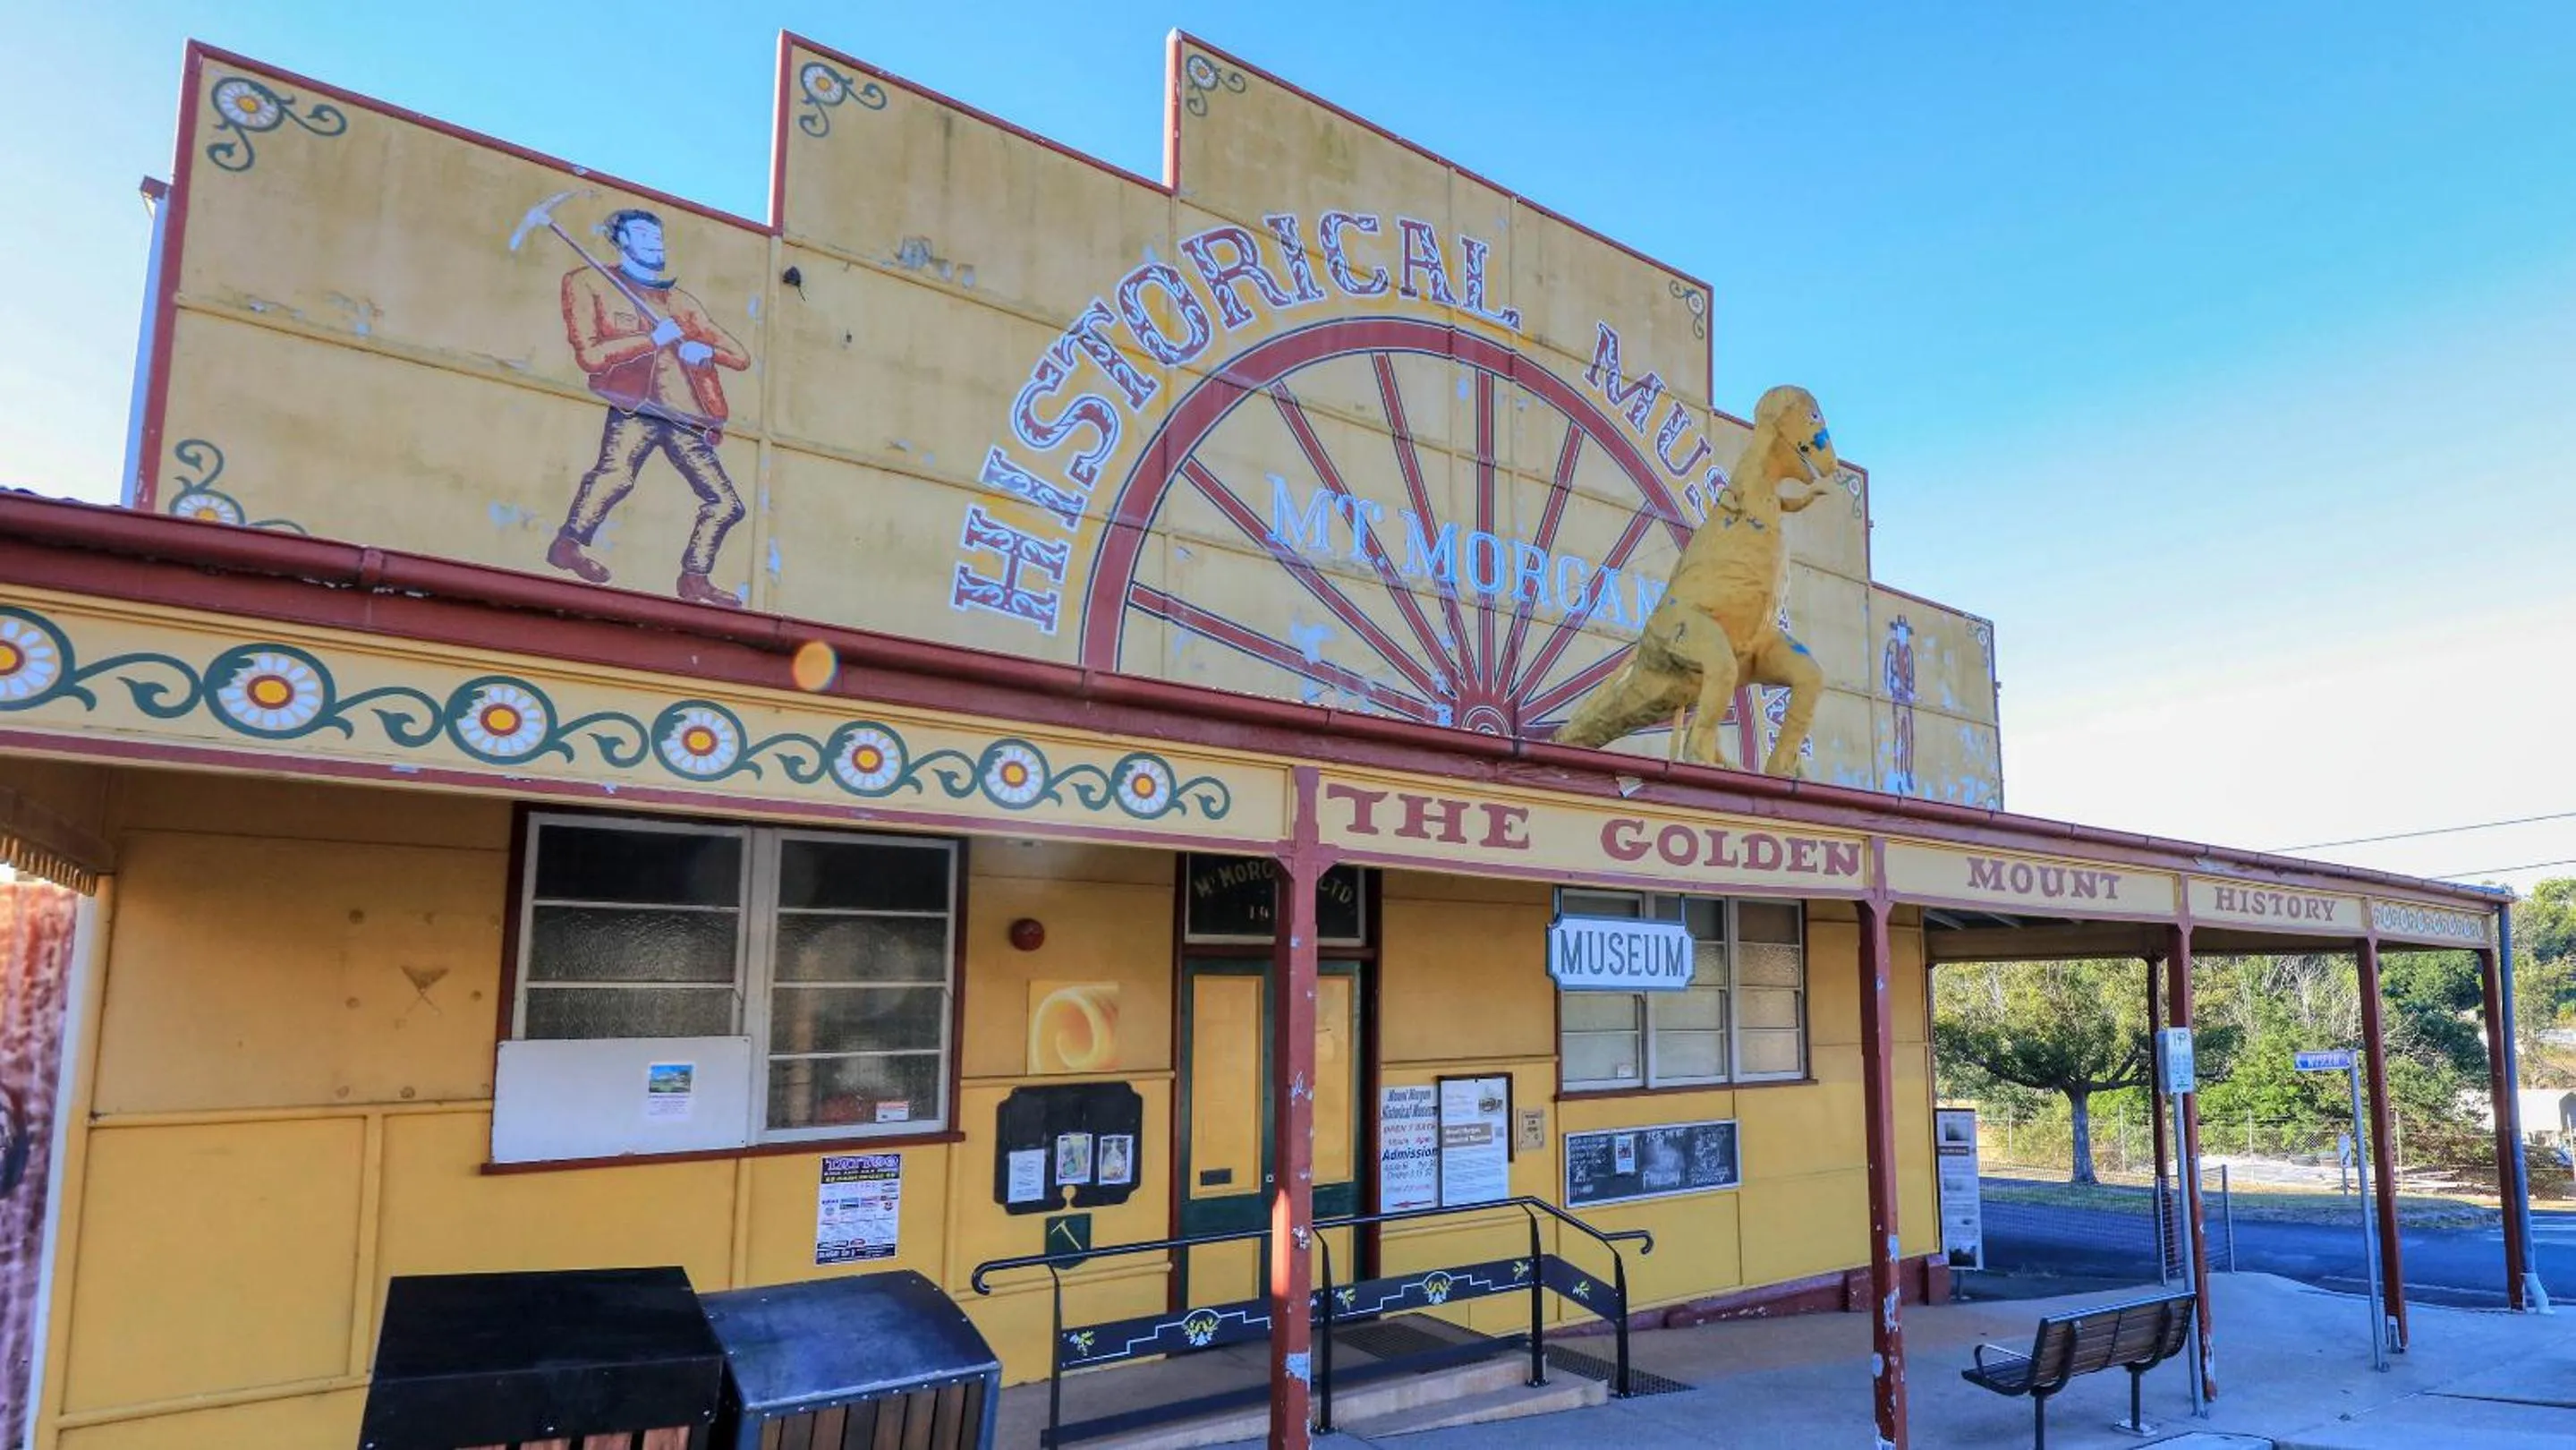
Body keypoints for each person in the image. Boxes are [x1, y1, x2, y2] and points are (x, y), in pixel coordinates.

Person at [546, 208, 752, 607]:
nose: (655, 242)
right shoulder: (589, 283)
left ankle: (695, 577)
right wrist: (650, 340)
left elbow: (739, 355)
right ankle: (567, 545)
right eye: (643, 235)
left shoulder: (680, 302)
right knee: (615, 477)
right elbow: (590, 356)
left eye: (657, 236)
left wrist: (704, 348)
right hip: (634, 407)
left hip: (688, 417)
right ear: (621, 240)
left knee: (727, 504)